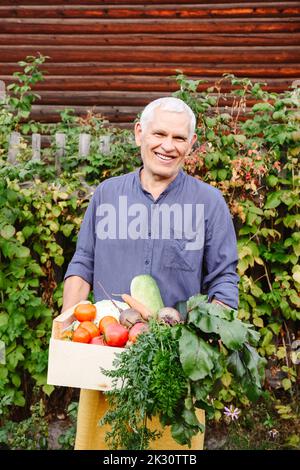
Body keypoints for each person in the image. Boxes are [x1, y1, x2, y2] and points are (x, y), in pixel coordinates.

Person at [62, 97, 239, 450]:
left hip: (172, 365)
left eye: (179, 138)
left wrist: (210, 331)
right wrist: (69, 322)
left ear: (191, 144)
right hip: (107, 356)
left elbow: (223, 279)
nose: (167, 146)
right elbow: (83, 263)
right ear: (139, 133)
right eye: (159, 133)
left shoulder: (209, 203)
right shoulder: (108, 195)